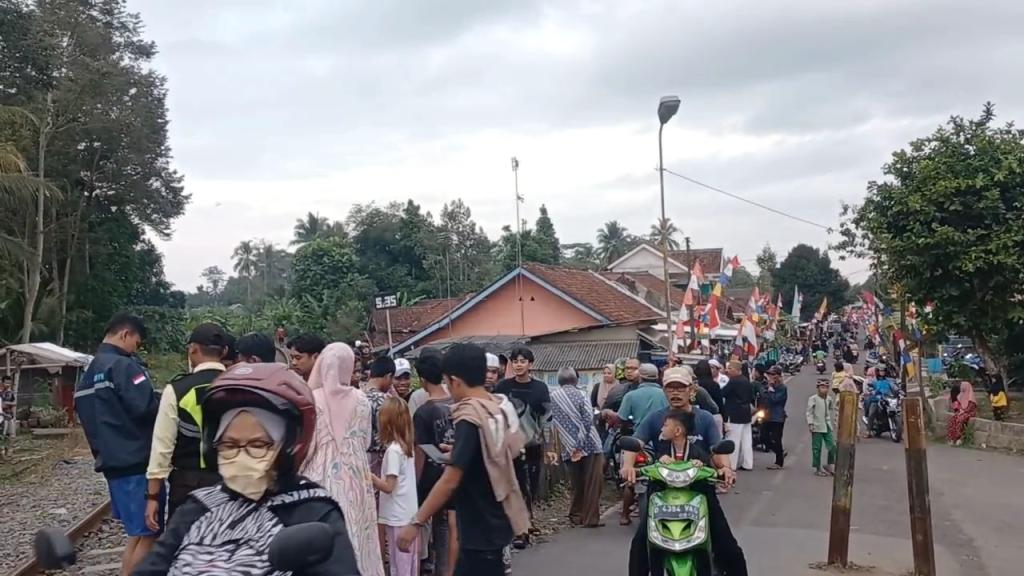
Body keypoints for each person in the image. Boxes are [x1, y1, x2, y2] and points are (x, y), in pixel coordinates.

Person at [133, 363, 360, 575]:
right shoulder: (199, 507)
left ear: (287, 446)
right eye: (229, 445)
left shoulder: (312, 511)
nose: (242, 456)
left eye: (258, 445)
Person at [396, 343, 530, 576]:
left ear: (455, 381)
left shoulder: (470, 416)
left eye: (447, 383)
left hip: (480, 525)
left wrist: (416, 522)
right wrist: (459, 452)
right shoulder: (496, 406)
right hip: (497, 517)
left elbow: (450, 481)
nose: (448, 389)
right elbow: (497, 452)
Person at [621, 367, 745, 576]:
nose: (676, 392)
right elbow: (635, 443)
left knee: (727, 545)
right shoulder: (655, 418)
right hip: (661, 491)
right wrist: (628, 466)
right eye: (671, 388)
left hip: (699, 490)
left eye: (681, 388)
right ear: (664, 391)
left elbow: (717, 449)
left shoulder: (705, 418)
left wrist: (725, 468)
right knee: (640, 545)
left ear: (691, 390)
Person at [76, 313, 161, 576]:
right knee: (150, 533)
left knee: (137, 534)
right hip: (137, 463)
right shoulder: (124, 366)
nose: (136, 348)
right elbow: (147, 409)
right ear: (125, 334)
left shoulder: (88, 374)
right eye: (137, 342)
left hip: (112, 463)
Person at [301, 343, 384, 576]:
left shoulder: (312, 400)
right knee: (358, 531)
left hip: (319, 476)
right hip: (356, 476)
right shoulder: (361, 400)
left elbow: (307, 446)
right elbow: (365, 440)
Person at [145, 323, 229, 531]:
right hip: (231, 484)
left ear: (193, 349)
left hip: (188, 486)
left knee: (184, 543)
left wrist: (152, 496)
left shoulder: (177, 389)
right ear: (225, 351)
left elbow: (162, 448)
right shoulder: (241, 385)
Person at [494, 345, 551, 546]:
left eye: (523, 361)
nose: (519, 365)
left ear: (530, 364)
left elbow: (547, 418)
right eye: (515, 361)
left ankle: (525, 524)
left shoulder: (540, 388)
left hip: (532, 445)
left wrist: (549, 445)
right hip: (508, 448)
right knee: (513, 487)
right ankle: (519, 532)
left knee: (529, 487)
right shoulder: (502, 387)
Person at [412, 353, 456, 576]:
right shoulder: (457, 403)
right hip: (458, 473)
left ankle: (442, 570)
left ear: (422, 380)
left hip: (433, 478)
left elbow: (421, 452)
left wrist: (416, 483)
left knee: (440, 528)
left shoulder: (423, 413)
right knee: (452, 526)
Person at [550, 367, 605, 528]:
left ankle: (576, 515)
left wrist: (571, 447)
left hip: (567, 447)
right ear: (575, 380)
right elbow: (587, 420)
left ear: (559, 380)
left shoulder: (552, 397)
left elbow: (551, 423)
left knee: (577, 483)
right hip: (590, 445)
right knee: (592, 483)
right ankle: (590, 519)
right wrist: (579, 446)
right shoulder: (582, 394)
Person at [373, 397, 420, 576]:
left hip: (397, 515)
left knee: (399, 565)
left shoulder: (393, 451)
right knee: (409, 564)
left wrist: (370, 477)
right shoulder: (407, 448)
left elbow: (389, 486)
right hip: (408, 513)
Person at [601, 357, 641, 526]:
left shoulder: (650, 389)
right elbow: (605, 409)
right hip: (620, 429)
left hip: (642, 432)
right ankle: (601, 484)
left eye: (633, 368)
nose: (630, 371)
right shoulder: (618, 390)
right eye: (627, 368)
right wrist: (608, 414)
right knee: (605, 452)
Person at [721, 360, 755, 472]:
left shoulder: (734, 381)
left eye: (730, 368)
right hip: (746, 413)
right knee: (747, 440)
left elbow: (723, 393)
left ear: (737, 369)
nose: (728, 371)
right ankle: (748, 463)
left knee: (733, 439)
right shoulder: (746, 380)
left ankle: (732, 464)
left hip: (734, 414)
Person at [614, 363, 669, 432]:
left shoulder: (630, 396)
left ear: (640, 378)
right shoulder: (666, 395)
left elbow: (622, 419)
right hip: (662, 434)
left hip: (639, 434)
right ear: (657, 377)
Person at [366, 356, 396, 476]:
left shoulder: (356, 396)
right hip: (380, 458)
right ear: (388, 376)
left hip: (360, 457)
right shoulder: (385, 400)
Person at [806, 379, 837, 477]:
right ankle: (818, 468)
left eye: (826, 388)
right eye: (822, 387)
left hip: (827, 426)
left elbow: (831, 409)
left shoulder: (829, 399)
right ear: (818, 388)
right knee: (817, 448)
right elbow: (809, 412)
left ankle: (830, 464)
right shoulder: (813, 399)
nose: (824, 390)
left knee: (832, 446)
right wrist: (810, 424)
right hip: (817, 426)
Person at [762, 365, 788, 470]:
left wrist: (770, 389)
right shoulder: (768, 386)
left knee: (776, 439)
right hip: (767, 415)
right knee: (763, 437)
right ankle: (780, 452)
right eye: (769, 374)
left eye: (772, 374)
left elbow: (775, 400)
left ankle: (779, 462)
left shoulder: (782, 388)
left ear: (778, 376)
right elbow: (763, 396)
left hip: (777, 417)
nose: (770, 376)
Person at [947, 381, 978, 445]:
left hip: (969, 413)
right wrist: (960, 411)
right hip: (962, 412)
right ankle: (952, 438)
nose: (961, 388)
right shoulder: (961, 395)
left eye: (963, 387)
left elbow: (970, 408)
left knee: (960, 419)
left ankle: (959, 438)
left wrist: (962, 411)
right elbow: (959, 406)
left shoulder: (971, 397)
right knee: (953, 418)